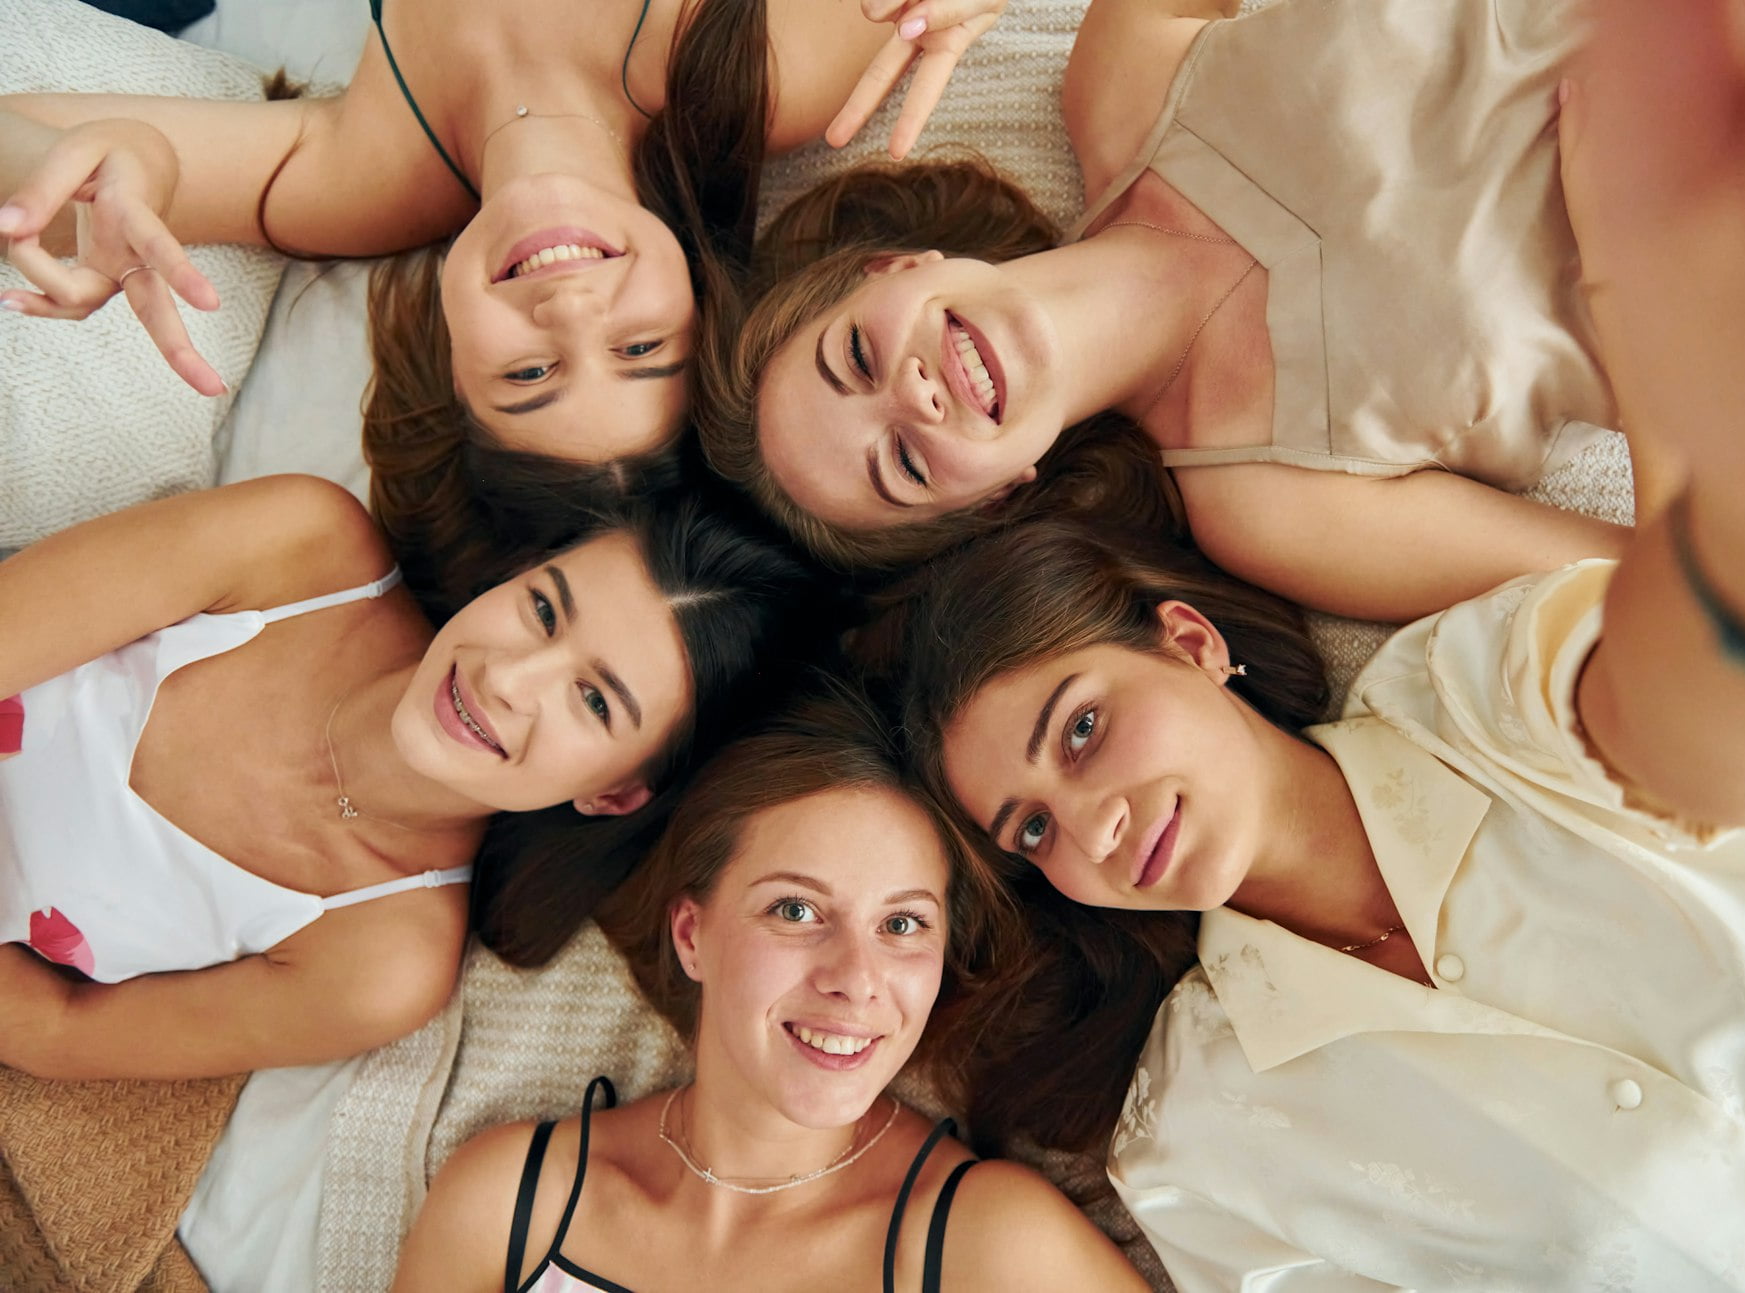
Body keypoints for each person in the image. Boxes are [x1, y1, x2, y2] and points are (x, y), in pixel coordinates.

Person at [863, 1, 1745, 1279]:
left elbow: (1709, 621)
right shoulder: (1199, 1135)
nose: (1089, 831)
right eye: (1029, 836)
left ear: (1188, 641)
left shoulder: (1480, 690)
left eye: (1078, 733)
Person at [697, 0, 1728, 620]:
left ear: (890, 266)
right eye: (905, 465)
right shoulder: (1271, 507)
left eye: (854, 359)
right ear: (996, 498)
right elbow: (1678, 601)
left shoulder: (1116, 80)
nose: (912, 400)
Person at [0, 0, 1006, 601]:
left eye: (526, 375)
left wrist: (100, 164)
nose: (571, 311)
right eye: (639, 347)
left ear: (447, 362)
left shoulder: (353, 184)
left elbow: (26, 152)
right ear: (703, 299)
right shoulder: (774, 70)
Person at [0, 474, 807, 1080]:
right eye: (545, 610)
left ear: (614, 794)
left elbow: (56, 1032)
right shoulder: (299, 550)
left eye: (593, 699)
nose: (509, 678)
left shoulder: (379, 961)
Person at [393, 681, 1150, 1292]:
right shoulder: (513, 1203)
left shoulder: (984, 1242)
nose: (856, 979)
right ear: (693, 935)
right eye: (796, 909)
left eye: (904, 924)